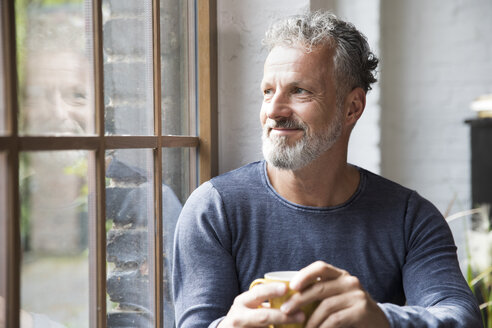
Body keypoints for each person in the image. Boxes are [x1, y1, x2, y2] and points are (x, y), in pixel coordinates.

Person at [172, 11, 482, 328]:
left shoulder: (409, 218)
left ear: (352, 108)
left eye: (299, 91)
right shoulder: (214, 209)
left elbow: (462, 317)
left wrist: (381, 319)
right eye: (268, 91)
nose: (274, 111)